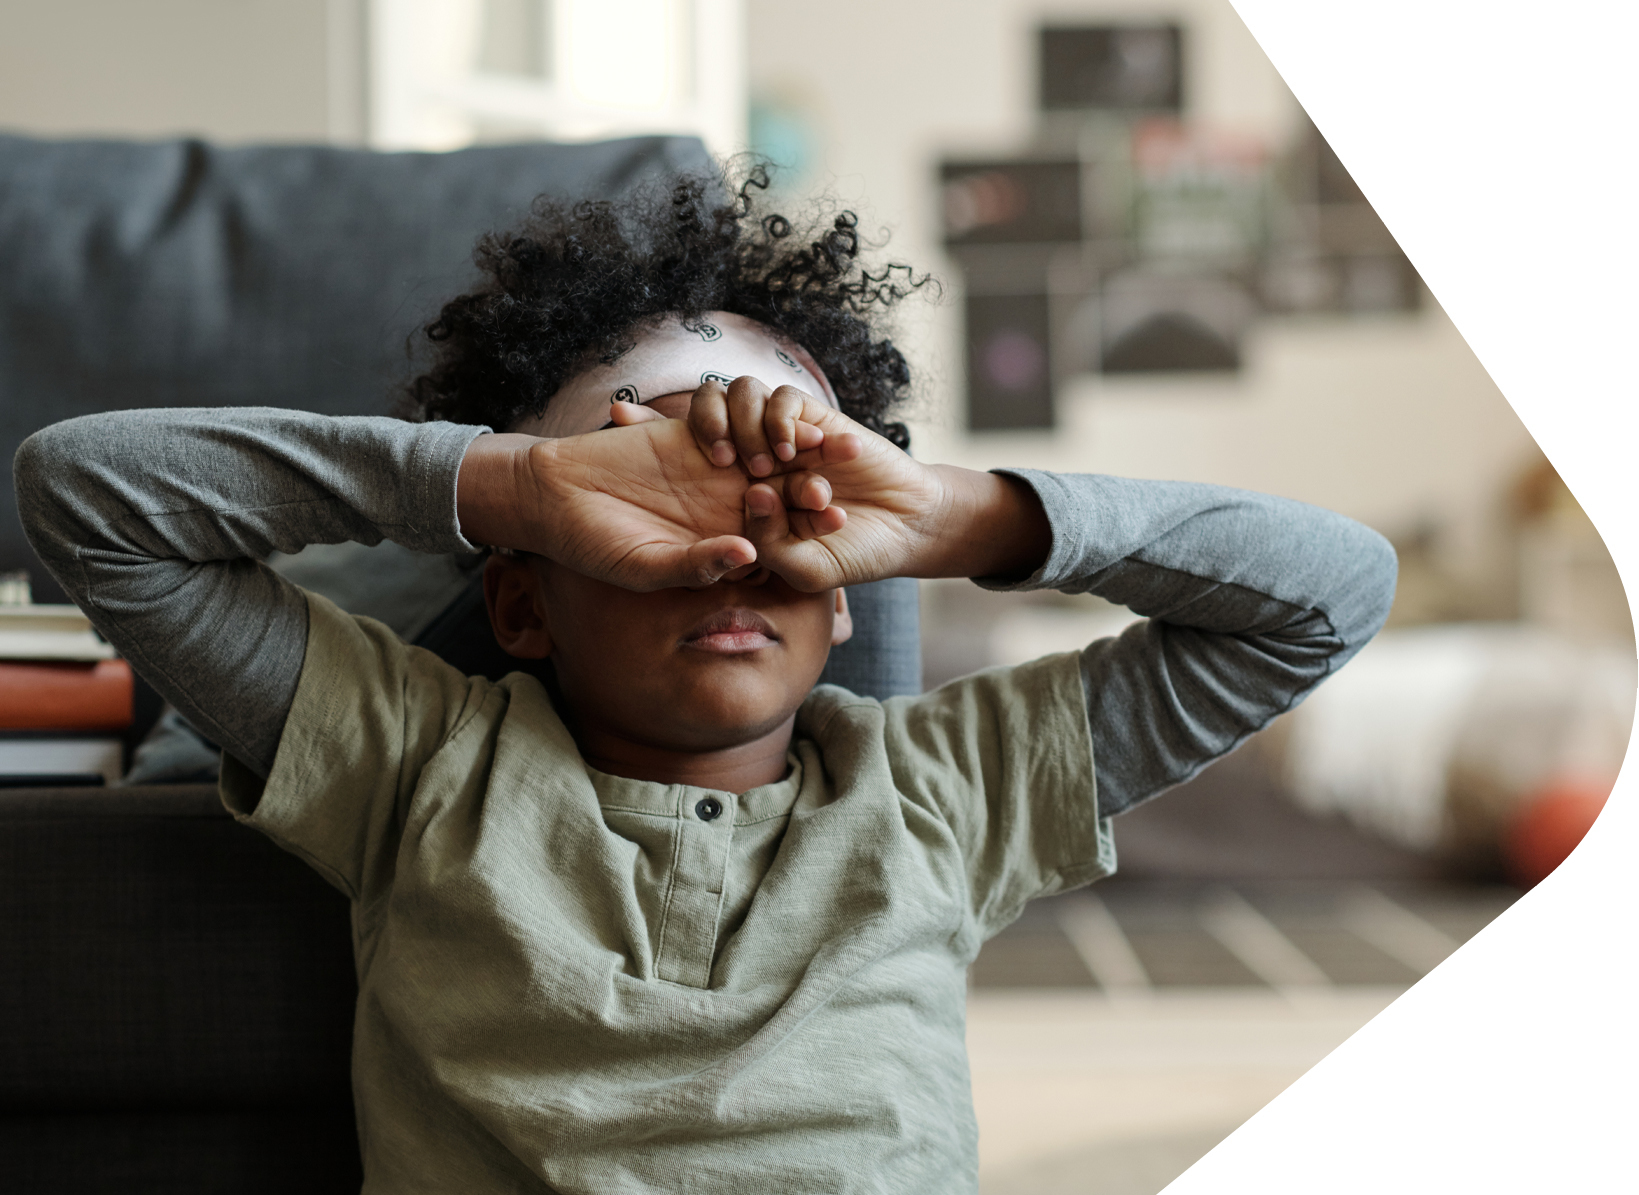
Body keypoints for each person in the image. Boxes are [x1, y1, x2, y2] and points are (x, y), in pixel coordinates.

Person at [15, 172, 1397, 1193]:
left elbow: (1333, 594)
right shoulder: (416, 762)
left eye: (780, 515)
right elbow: (87, 495)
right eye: (652, 515)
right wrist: (521, 481)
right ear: (522, 599)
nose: (726, 557)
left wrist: (967, 515)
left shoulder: (949, 785)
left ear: (848, 589)